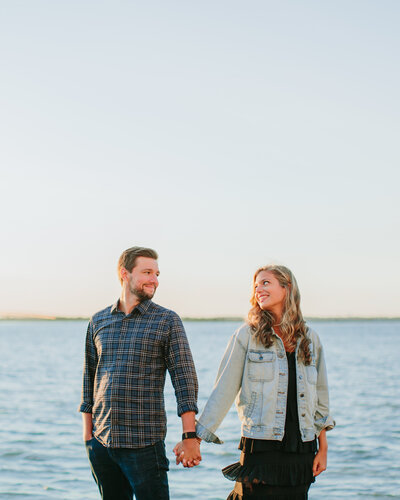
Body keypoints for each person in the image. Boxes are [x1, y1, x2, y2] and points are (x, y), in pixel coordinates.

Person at [174, 265, 335, 499]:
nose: (259, 288)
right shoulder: (247, 335)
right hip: (261, 447)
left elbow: (321, 399)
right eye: (256, 285)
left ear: (287, 287)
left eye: (266, 282)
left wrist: (323, 448)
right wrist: (194, 438)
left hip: (301, 450)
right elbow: (224, 390)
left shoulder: (310, 338)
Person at [79, 246, 201, 500]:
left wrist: (190, 437)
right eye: (147, 272)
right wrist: (88, 435)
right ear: (125, 273)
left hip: (144, 445)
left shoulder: (167, 321)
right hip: (102, 444)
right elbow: (89, 376)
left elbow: (184, 379)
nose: (154, 280)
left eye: (157, 274)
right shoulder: (98, 320)